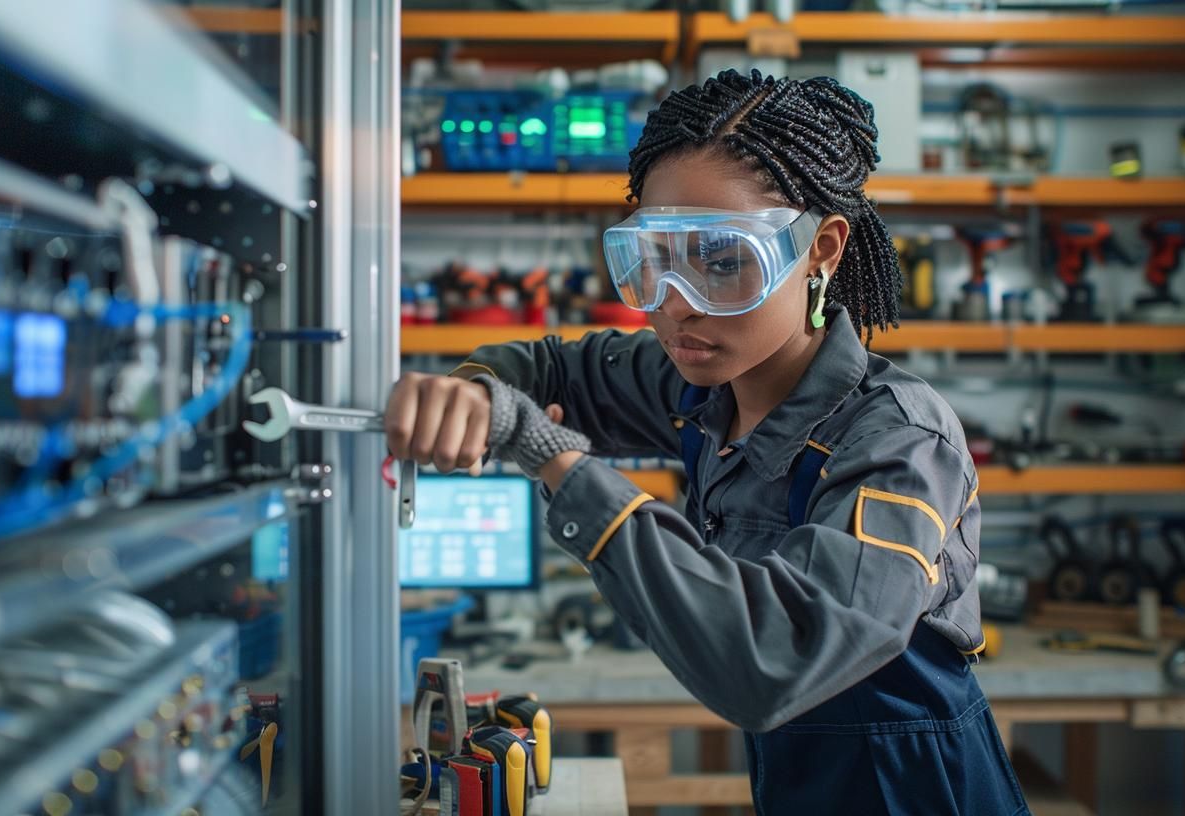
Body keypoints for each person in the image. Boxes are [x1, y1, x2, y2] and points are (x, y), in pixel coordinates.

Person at [386, 69, 1028, 814]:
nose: (677, 305)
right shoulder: (703, 383)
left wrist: (555, 457)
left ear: (819, 250)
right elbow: (552, 367)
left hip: (918, 790)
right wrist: (472, 390)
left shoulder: (899, 443)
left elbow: (778, 661)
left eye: (724, 262)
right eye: (652, 262)